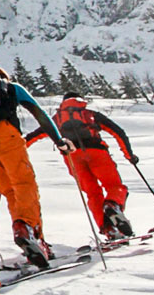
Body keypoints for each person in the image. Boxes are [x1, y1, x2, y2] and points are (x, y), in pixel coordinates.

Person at [0, 67, 72, 268]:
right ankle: (30, 232)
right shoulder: (11, 87)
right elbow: (38, 112)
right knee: (24, 184)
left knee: (9, 190)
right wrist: (59, 140)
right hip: (5, 135)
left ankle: (24, 232)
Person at [26, 93, 139, 240]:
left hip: (73, 158)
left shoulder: (56, 119)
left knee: (93, 194)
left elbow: (33, 136)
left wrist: (16, 150)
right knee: (114, 186)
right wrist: (129, 155)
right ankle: (113, 204)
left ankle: (108, 230)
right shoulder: (90, 114)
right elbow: (118, 132)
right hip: (98, 154)